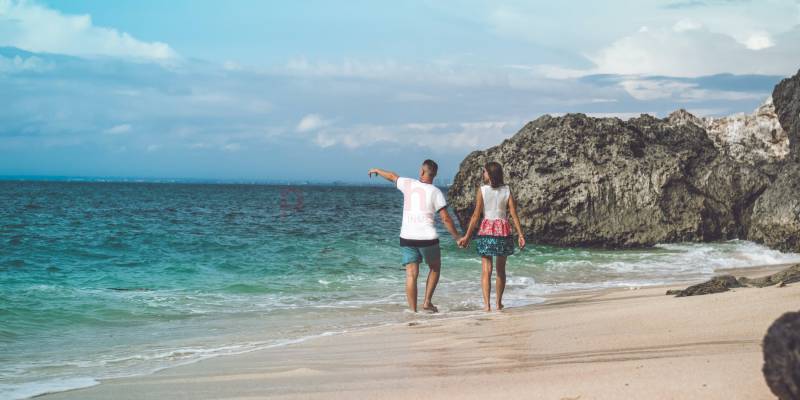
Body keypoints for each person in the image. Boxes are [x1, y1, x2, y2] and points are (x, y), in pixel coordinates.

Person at [369, 160, 463, 313]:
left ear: (421, 171)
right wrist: (457, 237)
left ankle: (413, 311)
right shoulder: (436, 192)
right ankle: (427, 302)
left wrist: (377, 170)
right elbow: (445, 218)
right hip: (428, 238)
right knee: (435, 268)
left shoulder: (408, 183)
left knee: (411, 275)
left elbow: (392, 176)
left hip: (407, 237)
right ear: (435, 174)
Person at [457, 162, 526, 311]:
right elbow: (513, 214)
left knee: (486, 270)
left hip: (487, 230)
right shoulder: (507, 190)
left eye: (485, 172)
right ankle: (498, 303)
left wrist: (467, 236)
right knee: (501, 270)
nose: (483, 174)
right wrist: (520, 234)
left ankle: (487, 305)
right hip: (503, 231)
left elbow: (476, 215)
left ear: (490, 174)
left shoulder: (482, 190)